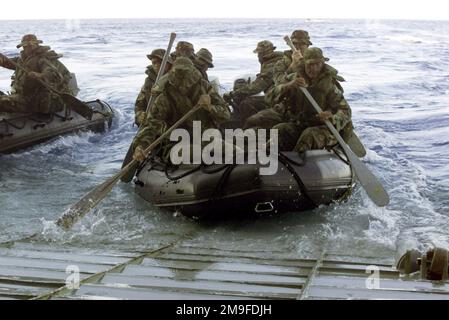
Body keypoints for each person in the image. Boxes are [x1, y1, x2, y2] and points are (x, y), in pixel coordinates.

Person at [131, 57, 230, 164]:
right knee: (200, 154)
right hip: (176, 145)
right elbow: (151, 125)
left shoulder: (205, 88)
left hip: (206, 139)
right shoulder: (165, 97)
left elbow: (225, 115)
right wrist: (140, 146)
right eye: (179, 74)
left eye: (185, 74)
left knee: (236, 153)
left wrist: (210, 107)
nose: (183, 79)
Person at [269, 47, 353, 152]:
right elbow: (270, 97)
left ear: (322, 64)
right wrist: (288, 86)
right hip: (301, 125)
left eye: (317, 64)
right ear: (304, 63)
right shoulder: (294, 78)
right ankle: (267, 159)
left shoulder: (329, 85)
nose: (313, 69)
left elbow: (346, 111)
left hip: (324, 129)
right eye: (310, 65)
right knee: (279, 130)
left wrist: (332, 117)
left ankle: (297, 162)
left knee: (309, 135)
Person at [243, 30, 313, 130]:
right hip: (284, 107)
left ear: (307, 45)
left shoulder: (315, 62)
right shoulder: (281, 63)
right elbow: (278, 82)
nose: (297, 47)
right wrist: (292, 66)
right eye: (294, 44)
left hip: (305, 109)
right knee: (251, 121)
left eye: (301, 44)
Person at [0, 34, 73, 114]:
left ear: (36, 45)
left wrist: (40, 75)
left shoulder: (44, 58)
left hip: (35, 100)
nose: (27, 48)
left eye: (30, 46)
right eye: (25, 46)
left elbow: (52, 73)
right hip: (23, 95)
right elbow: (9, 62)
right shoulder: (24, 59)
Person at [224, 40, 282, 123]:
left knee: (247, 103)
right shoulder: (272, 61)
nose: (258, 56)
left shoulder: (272, 64)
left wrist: (234, 93)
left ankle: (245, 127)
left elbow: (258, 86)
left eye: (260, 53)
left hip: (277, 100)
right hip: (274, 96)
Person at [134, 48, 173, 126]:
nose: (157, 65)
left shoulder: (176, 80)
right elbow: (139, 105)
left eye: (161, 62)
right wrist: (139, 115)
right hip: (153, 124)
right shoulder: (149, 82)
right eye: (154, 62)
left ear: (169, 63)